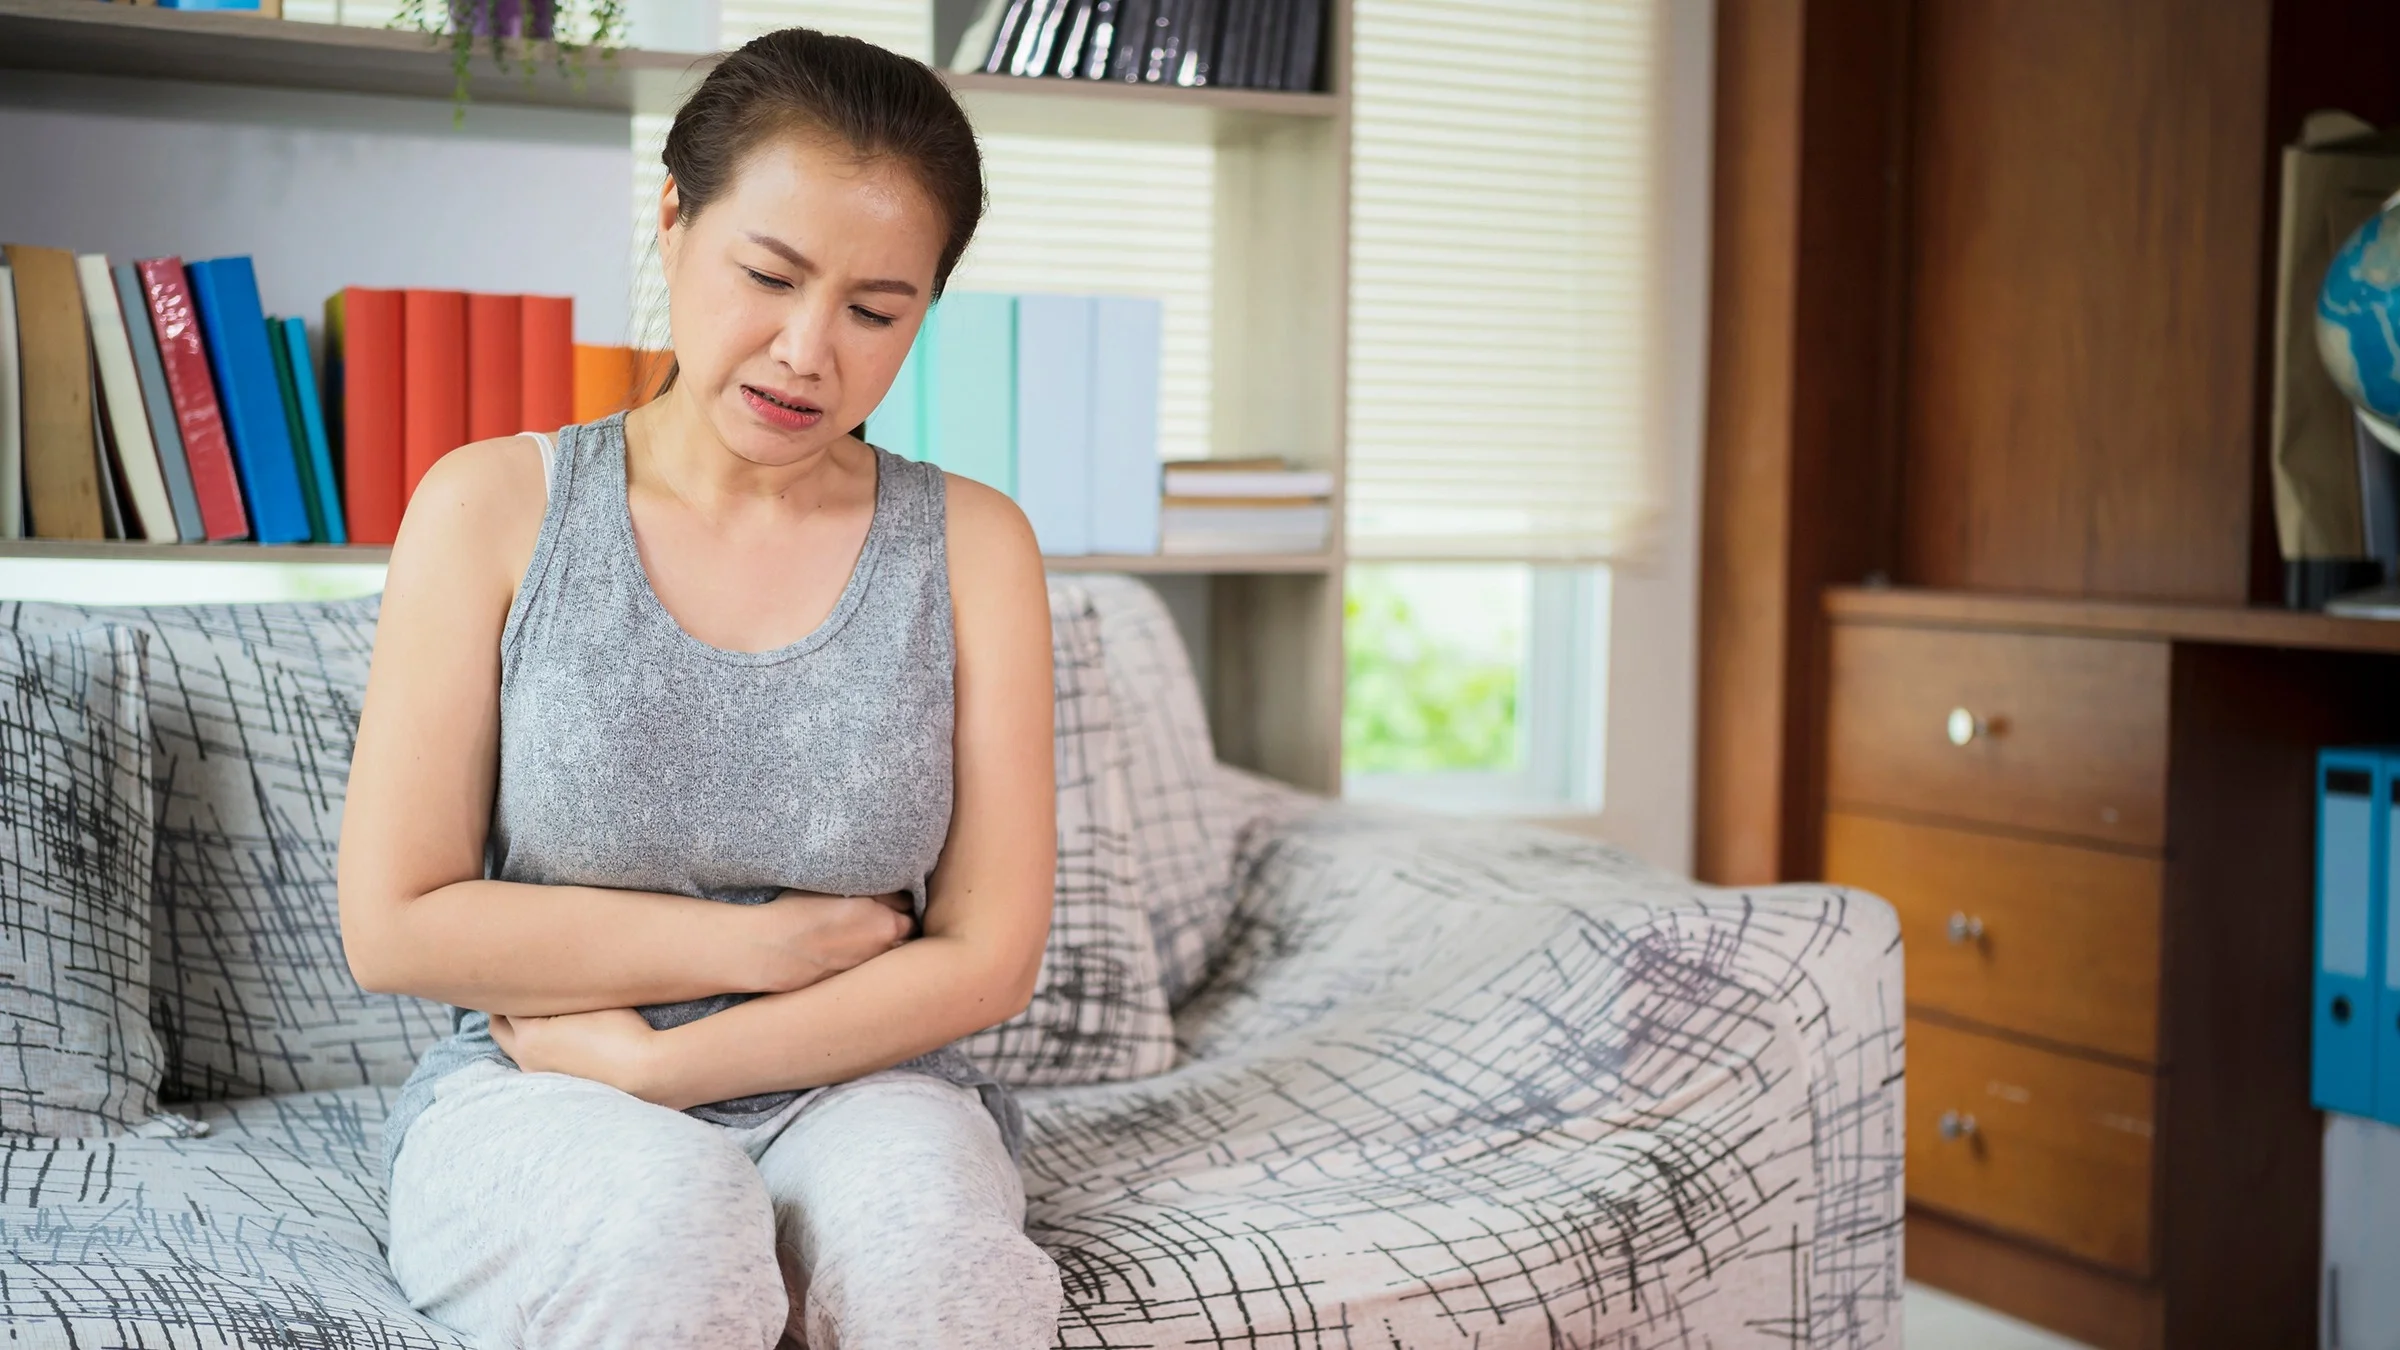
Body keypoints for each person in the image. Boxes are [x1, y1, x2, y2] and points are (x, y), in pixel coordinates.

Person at [335, 27, 1063, 1350]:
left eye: (875, 309)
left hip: (862, 1083)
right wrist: (744, 949)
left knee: (933, 1253)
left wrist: (670, 1062)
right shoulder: (492, 506)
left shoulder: (975, 544)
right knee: (672, 1230)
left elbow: (988, 954)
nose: (804, 350)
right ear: (674, 219)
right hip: (537, 1087)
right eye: (768, 275)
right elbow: (397, 923)